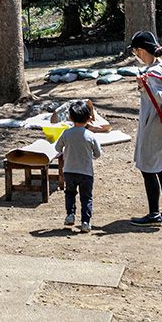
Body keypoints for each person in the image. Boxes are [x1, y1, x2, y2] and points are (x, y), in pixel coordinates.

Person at [129, 30, 162, 226]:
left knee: (148, 168)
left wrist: (144, 85)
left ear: (141, 50)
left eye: (135, 51)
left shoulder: (154, 72)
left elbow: (161, 97)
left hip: (155, 124)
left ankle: (154, 214)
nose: (135, 55)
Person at [54, 100, 102, 233]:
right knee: (86, 197)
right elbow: (98, 153)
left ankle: (70, 215)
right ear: (89, 118)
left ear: (70, 117)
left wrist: (65, 150)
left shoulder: (66, 133)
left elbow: (57, 148)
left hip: (69, 171)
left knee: (70, 193)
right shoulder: (90, 135)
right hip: (86, 172)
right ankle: (85, 222)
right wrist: (91, 156)